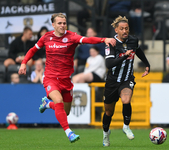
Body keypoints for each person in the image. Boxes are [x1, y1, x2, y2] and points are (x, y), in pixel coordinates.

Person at [18, 13, 116, 143]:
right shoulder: (46, 37)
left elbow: (87, 40)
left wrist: (104, 40)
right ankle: (69, 132)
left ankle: (47, 104)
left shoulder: (72, 37)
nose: (63, 25)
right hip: (50, 78)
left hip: (66, 80)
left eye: (64, 23)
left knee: (66, 111)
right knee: (58, 100)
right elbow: (32, 50)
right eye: (59, 23)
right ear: (53, 25)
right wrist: (24, 63)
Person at [102, 16, 150, 147]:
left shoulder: (133, 40)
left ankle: (126, 126)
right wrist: (124, 56)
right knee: (108, 112)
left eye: (126, 28)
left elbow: (138, 50)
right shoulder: (111, 43)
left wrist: (147, 64)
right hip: (112, 81)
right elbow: (109, 63)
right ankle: (106, 134)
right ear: (116, 29)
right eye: (122, 29)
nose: (125, 31)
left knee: (126, 100)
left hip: (127, 78)